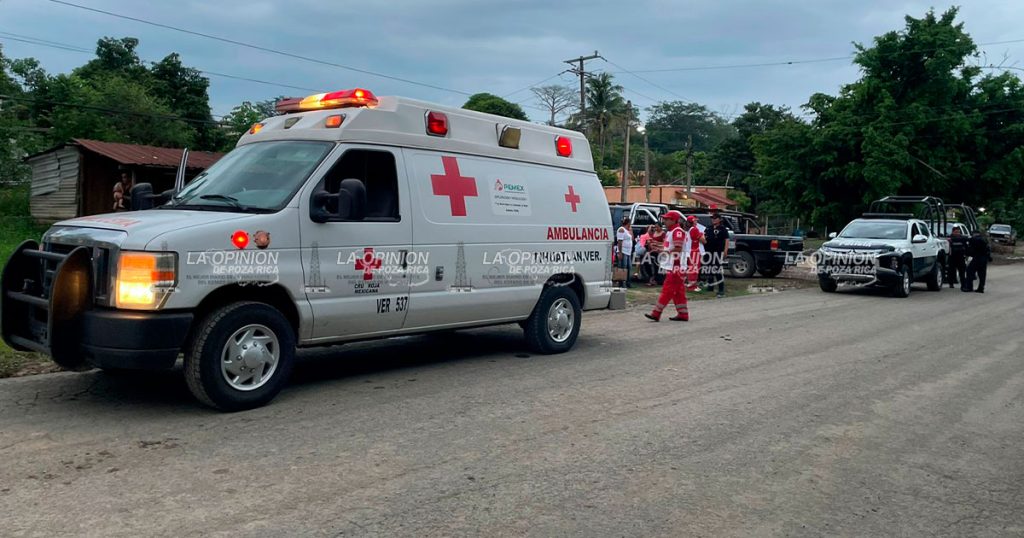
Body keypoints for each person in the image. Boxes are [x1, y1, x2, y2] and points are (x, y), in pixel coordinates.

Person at [645, 211, 689, 322]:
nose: (664, 221)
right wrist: (659, 247)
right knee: (678, 292)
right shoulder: (671, 231)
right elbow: (669, 246)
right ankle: (683, 314)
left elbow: (678, 249)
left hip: (676, 266)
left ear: (674, 220)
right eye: (664, 219)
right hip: (675, 266)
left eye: (667, 219)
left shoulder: (677, 232)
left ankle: (656, 313)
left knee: (667, 290)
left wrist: (662, 251)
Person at [704, 213, 730, 298]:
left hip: (718, 252)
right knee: (709, 269)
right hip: (708, 251)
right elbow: (704, 237)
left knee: (717, 270)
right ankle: (710, 286)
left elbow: (726, 240)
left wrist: (725, 250)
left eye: (715, 218)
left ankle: (721, 289)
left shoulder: (723, 229)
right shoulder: (708, 228)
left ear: (719, 219)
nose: (713, 220)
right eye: (712, 218)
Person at [683, 215, 706, 292]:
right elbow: (704, 241)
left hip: (690, 251)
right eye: (695, 221)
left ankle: (691, 285)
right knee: (694, 269)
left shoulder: (689, 229)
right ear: (692, 222)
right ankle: (692, 286)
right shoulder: (694, 229)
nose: (697, 222)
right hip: (694, 251)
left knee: (692, 268)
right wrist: (702, 234)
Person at [615, 217, 633, 288]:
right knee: (623, 266)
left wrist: (630, 230)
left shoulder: (627, 230)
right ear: (628, 223)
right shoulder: (621, 229)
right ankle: (621, 282)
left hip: (628, 252)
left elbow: (632, 238)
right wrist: (620, 252)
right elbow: (620, 241)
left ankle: (628, 282)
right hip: (623, 251)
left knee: (629, 267)